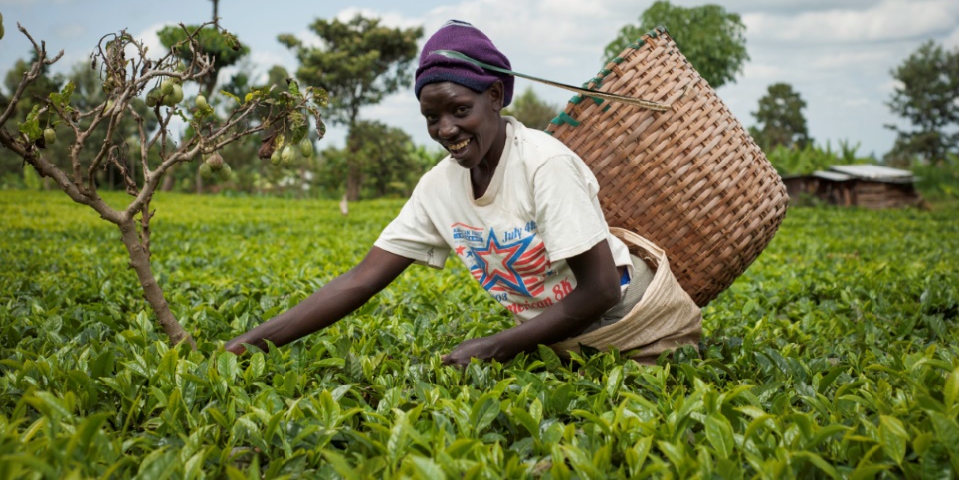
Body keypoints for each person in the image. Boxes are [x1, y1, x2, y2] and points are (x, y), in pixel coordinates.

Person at [225, 20, 701, 365]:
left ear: (495, 97)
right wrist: (246, 345)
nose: (446, 129)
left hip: (637, 326)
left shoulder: (543, 163)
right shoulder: (438, 188)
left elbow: (598, 289)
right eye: (432, 117)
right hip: (558, 340)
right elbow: (360, 281)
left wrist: (493, 347)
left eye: (460, 109)